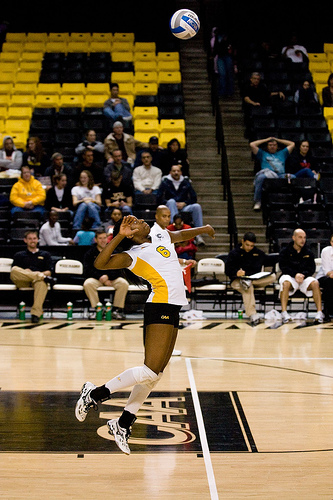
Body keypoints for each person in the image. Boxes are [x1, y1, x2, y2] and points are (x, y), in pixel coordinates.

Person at [75, 214, 215, 455]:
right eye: (136, 223)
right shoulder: (133, 255)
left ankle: (122, 423)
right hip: (159, 305)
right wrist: (119, 235)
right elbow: (100, 264)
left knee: (154, 375)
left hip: (172, 307)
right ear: (132, 234)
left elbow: (179, 236)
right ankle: (94, 394)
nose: (141, 221)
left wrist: (205, 229)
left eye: (139, 219)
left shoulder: (160, 233)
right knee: (149, 370)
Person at [225, 231, 276, 325]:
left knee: (273, 276)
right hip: (237, 280)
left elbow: (269, 260)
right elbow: (227, 270)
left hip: (253, 279)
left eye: (251, 246)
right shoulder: (234, 253)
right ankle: (252, 314)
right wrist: (236, 273)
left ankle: (248, 283)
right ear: (242, 241)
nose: (249, 248)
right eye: (247, 245)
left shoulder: (257, 253)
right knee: (247, 286)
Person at [278, 228, 324, 324]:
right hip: (290, 276)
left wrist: (303, 275)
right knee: (285, 283)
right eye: (300, 237)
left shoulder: (309, 252)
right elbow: (283, 267)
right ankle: (284, 313)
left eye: (304, 237)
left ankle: (319, 313)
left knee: (315, 283)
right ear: (293, 238)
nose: (303, 240)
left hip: (304, 277)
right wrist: (295, 274)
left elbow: (311, 268)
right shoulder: (285, 251)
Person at [10, 229, 55, 323]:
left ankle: (35, 314)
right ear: (25, 240)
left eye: (34, 238)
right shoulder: (19, 255)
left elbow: (49, 272)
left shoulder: (45, 254)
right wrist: (28, 273)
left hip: (36, 281)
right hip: (22, 281)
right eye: (30, 239)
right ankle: (39, 277)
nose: (32, 240)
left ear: (38, 240)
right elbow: (15, 273)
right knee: (14, 270)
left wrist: (38, 274)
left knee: (42, 283)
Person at [83, 229, 129, 320]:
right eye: (100, 238)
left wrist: (108, 277)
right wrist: (100, 276)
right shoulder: (90, 253)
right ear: (95, 240)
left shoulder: (113, 250)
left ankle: (116, 310)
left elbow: (118, 268)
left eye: (104, 238)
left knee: (123, 283)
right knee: (88, 283)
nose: (103, 240)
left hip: (112, 278)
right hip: (97, 279)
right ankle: (97, 309)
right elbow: (87, 269)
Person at [157, 165, 206, 246]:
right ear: (170, 172)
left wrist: (185, 203)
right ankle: (174, 229)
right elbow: (159, 198)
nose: (176, 173)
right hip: (170, 207)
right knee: (172, 201)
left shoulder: (186, 182)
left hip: (183, 206)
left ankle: (198, 234)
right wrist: (170, 202)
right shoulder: (165, 182)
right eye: (174, 171)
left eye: (178, 171)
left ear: (181, 172)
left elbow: (194, 197)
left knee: (196, 206)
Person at [250, 136, 295, 210]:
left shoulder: (282, 153)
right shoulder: (262, 154)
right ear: (267, 146)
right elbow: (252, 144)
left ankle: (291, 200)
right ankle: (258, 201)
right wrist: (266, 139)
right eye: (270, 145)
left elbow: (292, 144)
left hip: (280, 175)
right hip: (267, 174)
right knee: (260, 177)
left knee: (292, 177)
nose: (272, 147)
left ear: (277, 146)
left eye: (274, 145)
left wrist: (277, 140)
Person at [212, 29, 236, 97]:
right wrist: (213, 54)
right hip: (220, 56)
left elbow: (232, 46)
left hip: (228, 56)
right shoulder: (217, 37)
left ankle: (230, 91)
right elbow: (216, 46)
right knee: (222, 74)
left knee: (229, 74)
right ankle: (222, 91)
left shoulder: (229, 36)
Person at [316, 233, 333, 321]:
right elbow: (328, 272)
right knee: (329, 282)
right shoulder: (326, 251)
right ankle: (327, 312)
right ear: (331, 242)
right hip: (324, 277)